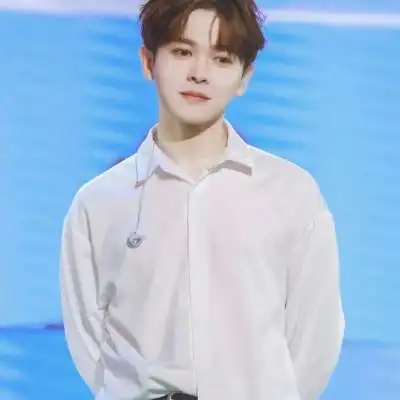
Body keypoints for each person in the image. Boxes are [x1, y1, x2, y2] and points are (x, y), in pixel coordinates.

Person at [59, 0, 345, 399]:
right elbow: (88, 339)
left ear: (244, 77)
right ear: (148, 61)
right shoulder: (99, 203)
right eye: (182, 52)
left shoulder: (291, 193)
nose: (199, 73)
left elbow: (315, 335)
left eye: (222, 59)